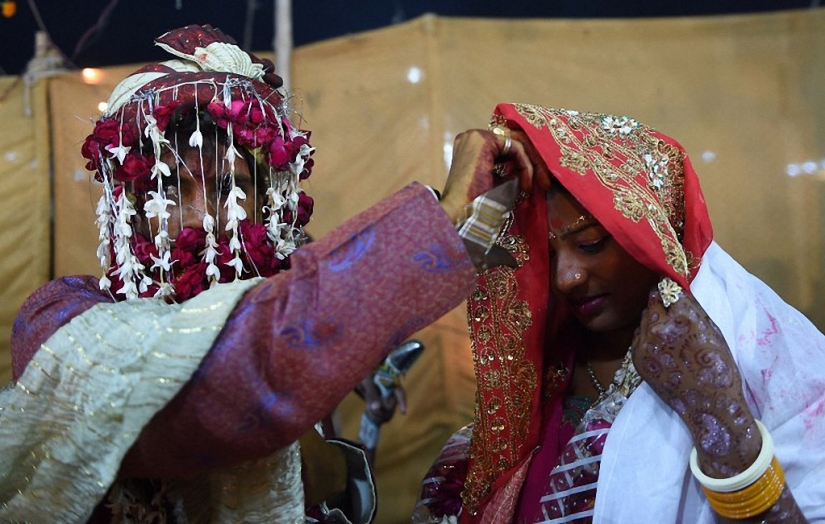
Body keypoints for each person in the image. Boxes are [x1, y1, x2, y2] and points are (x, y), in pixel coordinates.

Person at [0, 27, 544, 522]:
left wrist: (334, 470)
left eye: (231, 187)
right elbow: (226, 380)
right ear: (129, 209)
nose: (205, 218)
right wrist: (442, 214)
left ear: (270, 205)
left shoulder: (282, 309)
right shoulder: (63, 322)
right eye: (169, 189)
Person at [413, 104, 825, 523]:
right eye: (546, 254)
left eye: (590, 244)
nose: (566, 278)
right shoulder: (540, 372)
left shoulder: (760, 358)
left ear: (656, 235)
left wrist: (720, 420)